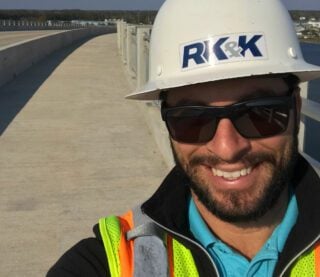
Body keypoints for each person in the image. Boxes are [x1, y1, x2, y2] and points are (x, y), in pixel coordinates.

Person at [48, 0, 320, 276]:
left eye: (260, 113)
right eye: (192, 119)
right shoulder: (106, 263)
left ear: (296, 108)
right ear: (167, 121)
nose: (227, 148)